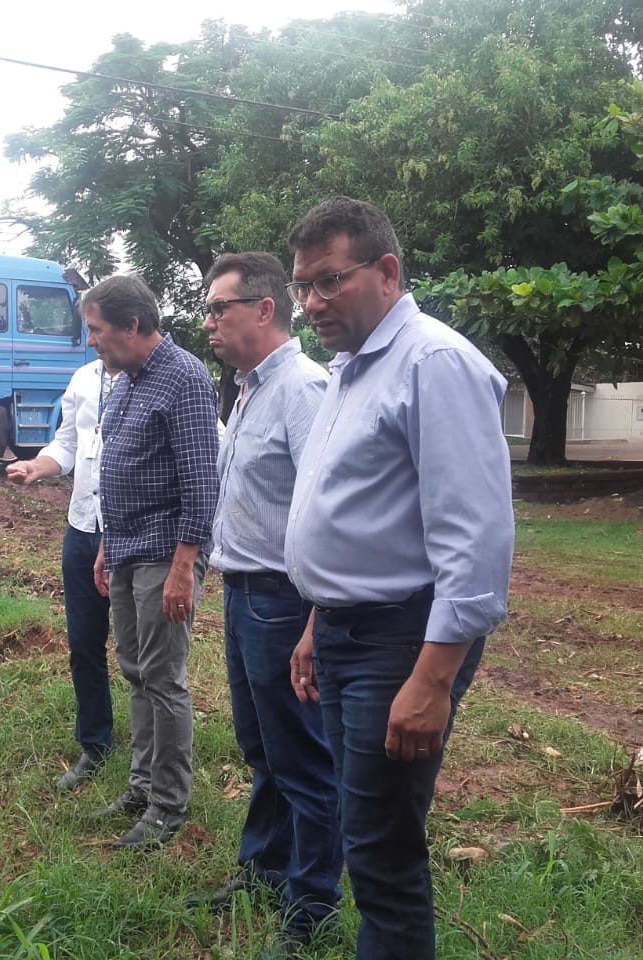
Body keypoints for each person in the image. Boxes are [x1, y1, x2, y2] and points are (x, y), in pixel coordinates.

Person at [283, 197, 514, 960]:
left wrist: (433, 680)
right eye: (302, 288)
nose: (311, 303)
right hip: (348, 632)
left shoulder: (433, 362)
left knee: (381, 851)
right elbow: (358, 517)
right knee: (362, 828)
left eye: (328, 281)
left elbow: (474, 538)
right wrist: (319, 621)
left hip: (401, 640)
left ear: (386, 272)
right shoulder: (353, 368)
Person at [185, 252, 340, 952]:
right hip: (243, 593)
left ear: (265, 310)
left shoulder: (304, 390)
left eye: (220, 308)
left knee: (303, 760)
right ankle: (263, 869)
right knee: (262, 749)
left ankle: (311, 907)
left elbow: (329, 513)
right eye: (209, 310)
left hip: (284, 598)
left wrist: (316, 619)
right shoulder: (249, 389)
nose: (209, 322)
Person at [85, 274, 220, 849]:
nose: (91, 341)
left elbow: (200, 481)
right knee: (136, 671)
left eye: (96, 330)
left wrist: (184, 565)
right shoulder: (124, 381)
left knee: (164, 680)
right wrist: (105, 546)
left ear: (132, 326)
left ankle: (169, 803)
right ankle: (142, 783)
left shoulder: (185, 379)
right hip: (125, 549)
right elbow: (114, 467)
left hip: (167, 554)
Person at [6, 356, 122, 790]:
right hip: (82, 526)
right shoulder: (83, 377)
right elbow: (68, 443)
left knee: (140, 653)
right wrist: (38, 466)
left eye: (96, 328)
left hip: (131, 533)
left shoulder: (159, 375)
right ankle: (96, 742)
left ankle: (154, 759)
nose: (90, 339)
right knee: (83, 642)